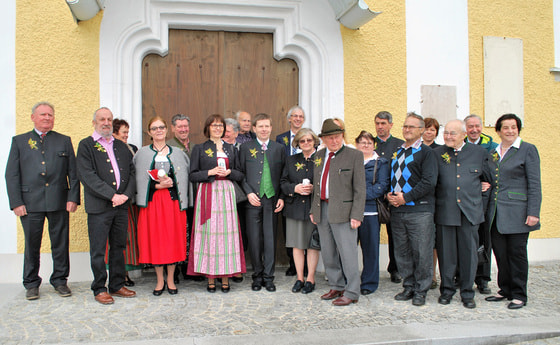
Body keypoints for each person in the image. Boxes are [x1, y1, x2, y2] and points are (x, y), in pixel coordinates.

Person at [5, 101, 80, 300]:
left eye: (50, 115)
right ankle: (31, 283)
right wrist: (16, 202)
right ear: (33, 117)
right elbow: (11, 175)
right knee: (31, 244)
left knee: (60, 243)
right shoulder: (19, 141)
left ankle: (60, 280)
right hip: (30, 203)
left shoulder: (64, 140)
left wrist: (73, 197)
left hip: (59, 201)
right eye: (43, 114)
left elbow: (73, 173)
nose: (47, 118)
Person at [77, 107, 136, 305]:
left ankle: (117, 284)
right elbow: (87, 176)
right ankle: (99, 288)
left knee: (119, 246)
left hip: (121, 206)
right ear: (94, 122)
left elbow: (131, 173)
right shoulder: (86, 146)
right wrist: (112, 195)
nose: (106, 122)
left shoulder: (120, 146)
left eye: (109, 119)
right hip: (100, 207)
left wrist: (125, 195)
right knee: (98, 249)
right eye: (102, 119)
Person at [484, 114, 541, 310]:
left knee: (516, 254)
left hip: (518, 212)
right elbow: (492, 178)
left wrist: (533, 212)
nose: (510, 131)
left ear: (518, 129)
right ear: (498, 131)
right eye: (505, 128)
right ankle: (504, 289)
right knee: (500, 253)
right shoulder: (494, 152)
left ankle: (519, 294)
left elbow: (534, 184)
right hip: (496, 213)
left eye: (513, 127)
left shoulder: (527, 149)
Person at [433, 120, 491, 309]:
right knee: (446, 255)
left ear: (464, 135)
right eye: (446, 133)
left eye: (453, 133)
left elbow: (489, 180)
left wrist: (481, 195)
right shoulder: (437, 153)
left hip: (470, 212)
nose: (448, 136)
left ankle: (467, 292)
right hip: (445, 211)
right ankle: (447, 290)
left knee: (469, 255)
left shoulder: (480, 153)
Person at [187, 114, 246, 293]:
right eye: (214, 125)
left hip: (226, 193)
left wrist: (229, 172)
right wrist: (210, 171)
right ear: (208, 128)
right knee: (209, 234)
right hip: (208, 192)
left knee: (227, 235)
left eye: (220, 125)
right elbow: (192, 175)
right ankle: (211, 277)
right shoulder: (200, 148)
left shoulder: (231, 149)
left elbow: (240, 174)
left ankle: (226, 276)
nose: (218, 128)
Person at [310, 119, 366, 306]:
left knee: (348, 252)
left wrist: (357, 214)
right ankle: (336, 285)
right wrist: (313, 209)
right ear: (324, 139)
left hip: (344, 211)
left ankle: (352, 291)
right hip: (323, 208)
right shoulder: (318, 155)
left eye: (337, 137)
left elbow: (360, 188)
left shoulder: (354, 155)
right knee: (328, 251)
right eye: (330, 138)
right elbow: (316, 185)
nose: (334, 141)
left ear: (342, 135)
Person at [134, 116, 189, 296]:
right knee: (156, 241)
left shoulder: (178, 153)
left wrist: (172, 183)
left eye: (161, 127)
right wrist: (157, 185)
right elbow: (137, 181)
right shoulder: (141, 154)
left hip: (172, 203)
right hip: (153, 203)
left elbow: (186, 179)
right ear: (149, 132)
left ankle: (171, 280)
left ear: (166, 130)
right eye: (154, 128)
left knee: (172, 240)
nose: (159, 131)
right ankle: (159, 281)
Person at [387, 112, 437, 307]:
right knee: (402, 251)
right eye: (405, 126)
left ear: (422, 130)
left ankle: (421, 289)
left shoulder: (427, 153)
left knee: (421, 251)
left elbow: (429, 182)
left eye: (412, 127)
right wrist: (390, 195)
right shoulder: (398, 151)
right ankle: (408, 285)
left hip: (420, 211)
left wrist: (405, 197)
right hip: (398, 210)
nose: (407, 130)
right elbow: (394, 178)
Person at [239, 113, 285, 292]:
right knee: (255, 239)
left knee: (270, 239)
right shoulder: (245, 148)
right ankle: (257, 276)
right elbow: (240, 173)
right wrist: (249, 193)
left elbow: (283, 175)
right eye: (260, 126)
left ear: (271, 128)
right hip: (252, 201)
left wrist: (281, 196)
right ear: (254, 128)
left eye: (267, 126)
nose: (264, 129)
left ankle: (269, 276)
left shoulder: (278, 148)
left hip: (271, 200)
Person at [280, 128, 320, 294]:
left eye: (309, 140)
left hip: (313, 207)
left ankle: (310, 278)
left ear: (314, 141)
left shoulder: (321, 159)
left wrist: (314, 189)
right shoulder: (290, 160)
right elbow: (282, 182)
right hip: (294, 207)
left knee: (312, 245)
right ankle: (299, 278)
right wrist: (294, 188)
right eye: (302, 141)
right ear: (297, 143)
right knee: (297, 245)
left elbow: (326, 182)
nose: (306, 144)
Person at [463, 114, 499, 295]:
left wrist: (485, 185)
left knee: (484, 240)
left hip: (484, 202)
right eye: (470, 126)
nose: (474, 129)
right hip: (464, 201)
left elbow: (493, 177)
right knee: (464, 241)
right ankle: (461, 276)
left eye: (477, 126)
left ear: (482, 127)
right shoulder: (459, 145)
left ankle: (483, 279)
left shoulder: (491, 148)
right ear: (465, 128)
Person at [354, 130, 390, 295]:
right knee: (348, 250)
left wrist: (359, 196)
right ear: (357, 144)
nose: (365, 145)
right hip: (351, 213)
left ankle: (369, 283)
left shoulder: (381, 163)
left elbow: (381, 186)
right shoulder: (352, 162)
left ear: (374, 145)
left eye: (369, 142)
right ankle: (350, 281)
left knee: (370, 250)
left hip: (370, 213)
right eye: (362, 142)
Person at [373, 111, 404, 284]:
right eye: (377, 123)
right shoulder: (370, 143)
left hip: (393, 198)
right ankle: (372, 269)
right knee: (372, 235)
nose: (380, 127)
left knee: (395, 236)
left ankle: (395, 268)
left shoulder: (400, 145)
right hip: (374, 198)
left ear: (391, 125)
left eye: (383, 123)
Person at [166, 114, 198, 283]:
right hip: (175, 198)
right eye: (179, 126)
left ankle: (189, 269)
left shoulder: (194, 147)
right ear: (172, 128)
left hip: (194, 197)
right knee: (176, 234)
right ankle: (174, 271)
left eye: (185, 126)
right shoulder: (168, 146)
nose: (183, 129)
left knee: (191, 233)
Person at [276, 105, 306, 277]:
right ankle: (292, 263)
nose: (297, 119)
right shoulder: (281, 139)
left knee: (306, 228)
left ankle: (306, 264)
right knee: (289, 228)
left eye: (300, 116)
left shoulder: (308, 136)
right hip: (287, 186)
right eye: (294, 116)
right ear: (289, 119)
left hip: (306, 187)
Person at [111, 119, 141, 286]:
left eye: (127, 133)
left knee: (129, 237)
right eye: (123, 133)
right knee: (119, 237)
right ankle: (119, 273)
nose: (126, 136)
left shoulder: (133, 149)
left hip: (131, 198)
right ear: (114, 133)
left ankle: (127, 272)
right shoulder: (111, 149)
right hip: (117, 199)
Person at [422, 117, 441, 290]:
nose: (429, 132)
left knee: (433, 240)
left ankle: (433, 274)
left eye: (432, 129)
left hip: (434, 199)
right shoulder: (416, 149)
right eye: (427, 129)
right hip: (418, 199)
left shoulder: (440, 150)